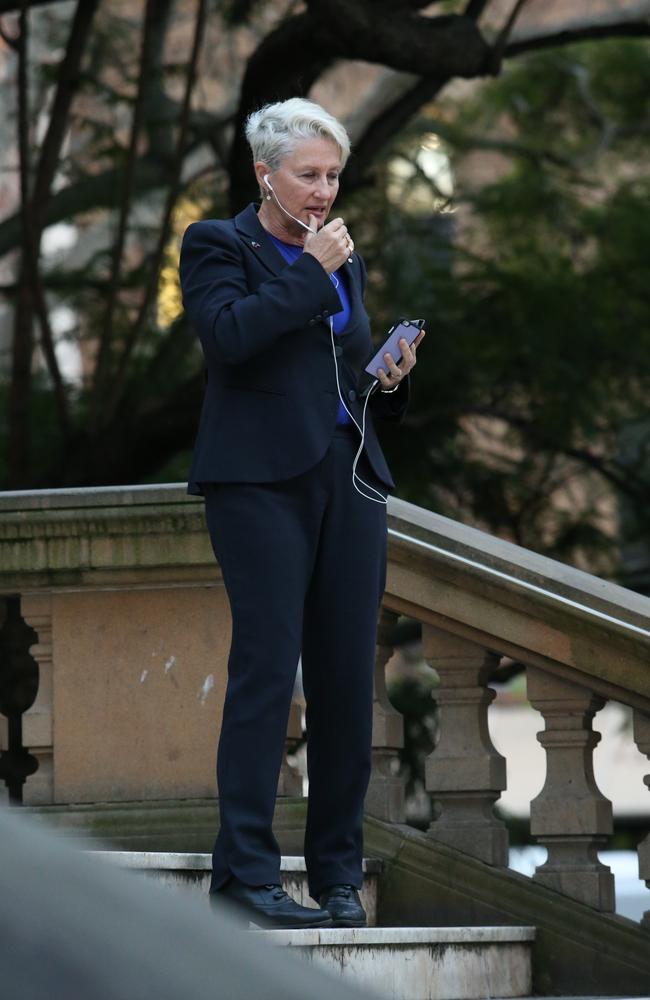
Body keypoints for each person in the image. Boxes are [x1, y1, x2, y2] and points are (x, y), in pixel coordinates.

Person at [179, 97, 424, 930]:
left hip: (347, 477)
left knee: (348, 682)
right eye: (308, 175)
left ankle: (338, 877)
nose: (324, 191)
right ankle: (244, 876)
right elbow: (230, 339)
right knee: (265, 671)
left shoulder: (340, 257)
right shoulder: (219, 244)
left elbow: (338, 373)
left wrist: (386, 379)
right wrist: (308, 271)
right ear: (265, 174)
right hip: (258, 486)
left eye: (332, 175)